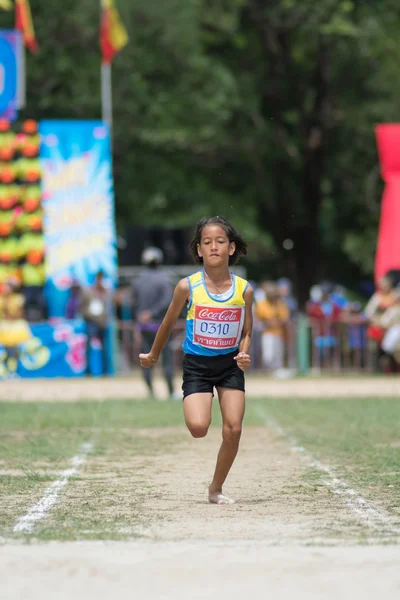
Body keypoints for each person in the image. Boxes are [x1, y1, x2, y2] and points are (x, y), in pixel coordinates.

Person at [139, 216, 253, 505]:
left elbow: (247, 329)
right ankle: (199, 401)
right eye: (206, 242)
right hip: (197, 367)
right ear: (199, 250)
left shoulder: (244, 289)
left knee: (234, 428)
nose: (213, 246)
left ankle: (216, 488)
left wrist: (244, 352)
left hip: (229, 366)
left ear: (231, 248)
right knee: (199, 428)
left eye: (220, 241)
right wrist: (153, 355)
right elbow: (166, 323)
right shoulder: (186, 286)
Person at [132, 247, 175, 399]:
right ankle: (170, 391)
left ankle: (150, 392)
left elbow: (135, 304)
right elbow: (167, 301)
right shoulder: (164, 280)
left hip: (144, 327)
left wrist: (142, 316)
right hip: (161, 326)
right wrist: (153, 313)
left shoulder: (137, 281)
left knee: (146, 358)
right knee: (167, 359)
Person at [80, 270, 111, 376]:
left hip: (102, 323)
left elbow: (110, 306)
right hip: (91, 322)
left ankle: (105, 372)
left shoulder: (106, 292)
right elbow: (82, 306)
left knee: (104, 348)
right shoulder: (88, 291)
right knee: (88, 348)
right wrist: (87, 317)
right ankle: (88, 371)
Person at [255, 282, 289, 372]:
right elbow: (258, 320)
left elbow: (285, 318)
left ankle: (277, 371)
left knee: (278, 354)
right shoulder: (261, 304)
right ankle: (269, 370)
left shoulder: (280, 304)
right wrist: (268, 323)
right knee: (268, 355)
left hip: (279, 332)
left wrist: (277, 322)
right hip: (267, 333)